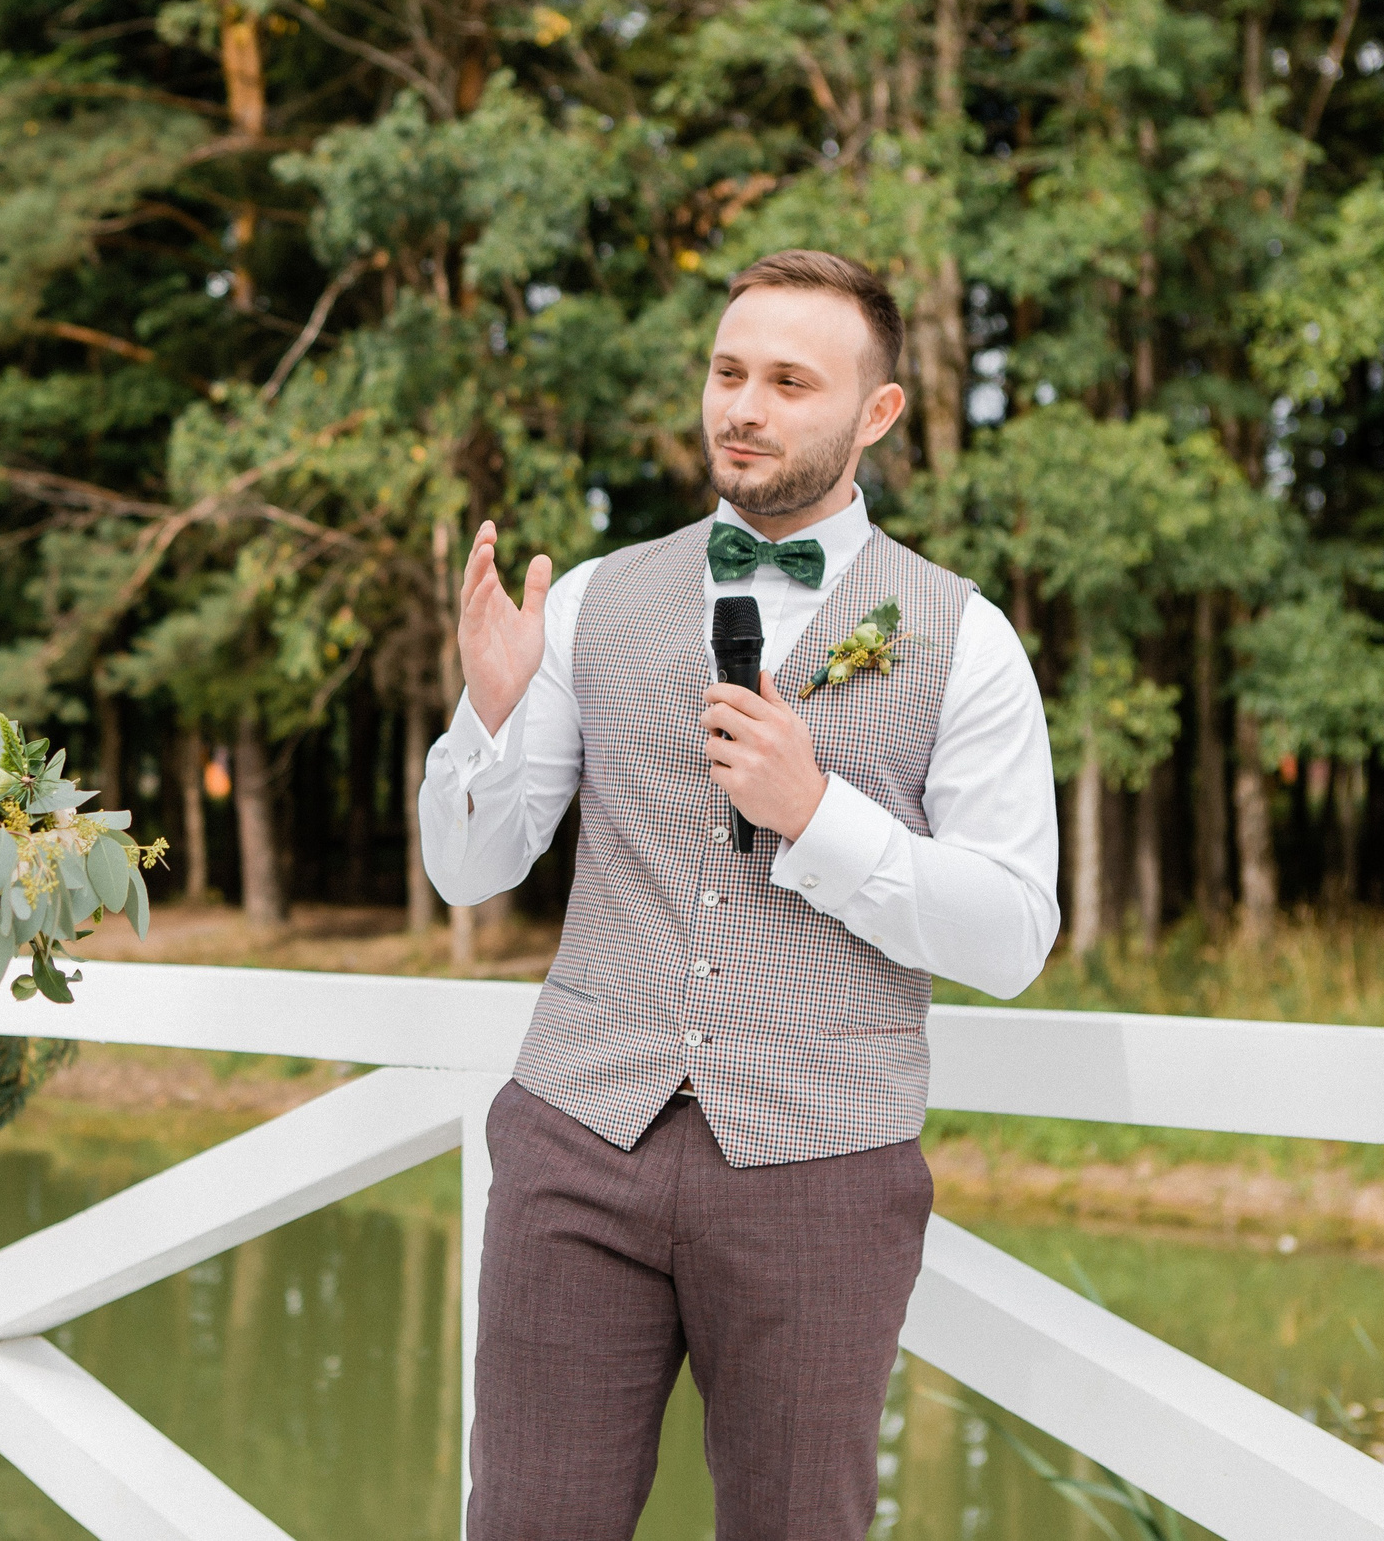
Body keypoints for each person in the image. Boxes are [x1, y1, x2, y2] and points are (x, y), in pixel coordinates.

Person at [421, 249, 1060, 1541]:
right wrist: (490, 719)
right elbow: (469, 870)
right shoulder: (594, 598)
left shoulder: (966, 637)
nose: (743, 406)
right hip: (576, 1141)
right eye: (727, 373)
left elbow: (1013, 937)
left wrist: (820, 820)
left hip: (821, 1170)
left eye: (787, 381)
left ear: (876, 413)